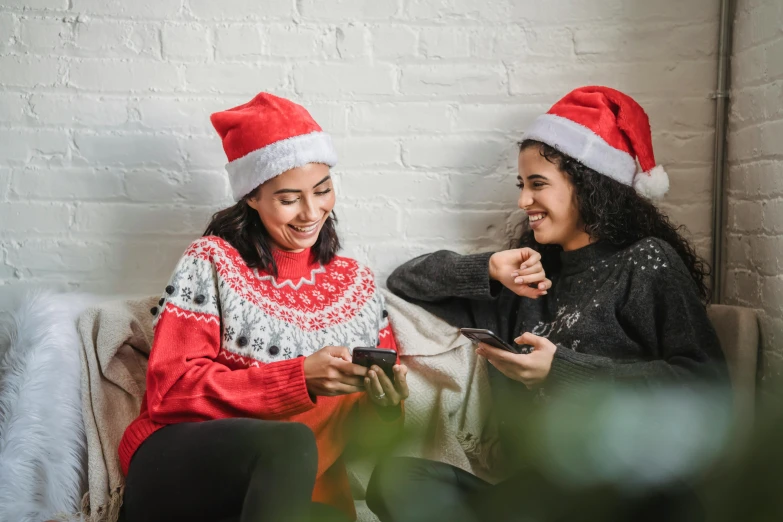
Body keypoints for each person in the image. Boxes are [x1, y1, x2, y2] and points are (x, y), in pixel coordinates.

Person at [366, 86, 729, 522]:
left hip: (627, 488)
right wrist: (490, 270)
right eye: (522, 185)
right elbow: (405, 281)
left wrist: (560, 371)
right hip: (536, 497)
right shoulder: (526, 284)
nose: (523, 202)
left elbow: (706, 383)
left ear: (590, 186)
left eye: (538, 184)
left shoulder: (645, 262)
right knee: (395, 480)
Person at [118, 93, 410, 522]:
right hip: (183, 467)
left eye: (323, 190)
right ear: (252, 196)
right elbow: (171, 391)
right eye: (289, 198)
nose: (312, 212)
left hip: (293, 492)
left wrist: (386, 407)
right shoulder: (213, 260)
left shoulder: (358, 285)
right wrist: (298, 378)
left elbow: (365, 441)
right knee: (289, 442)